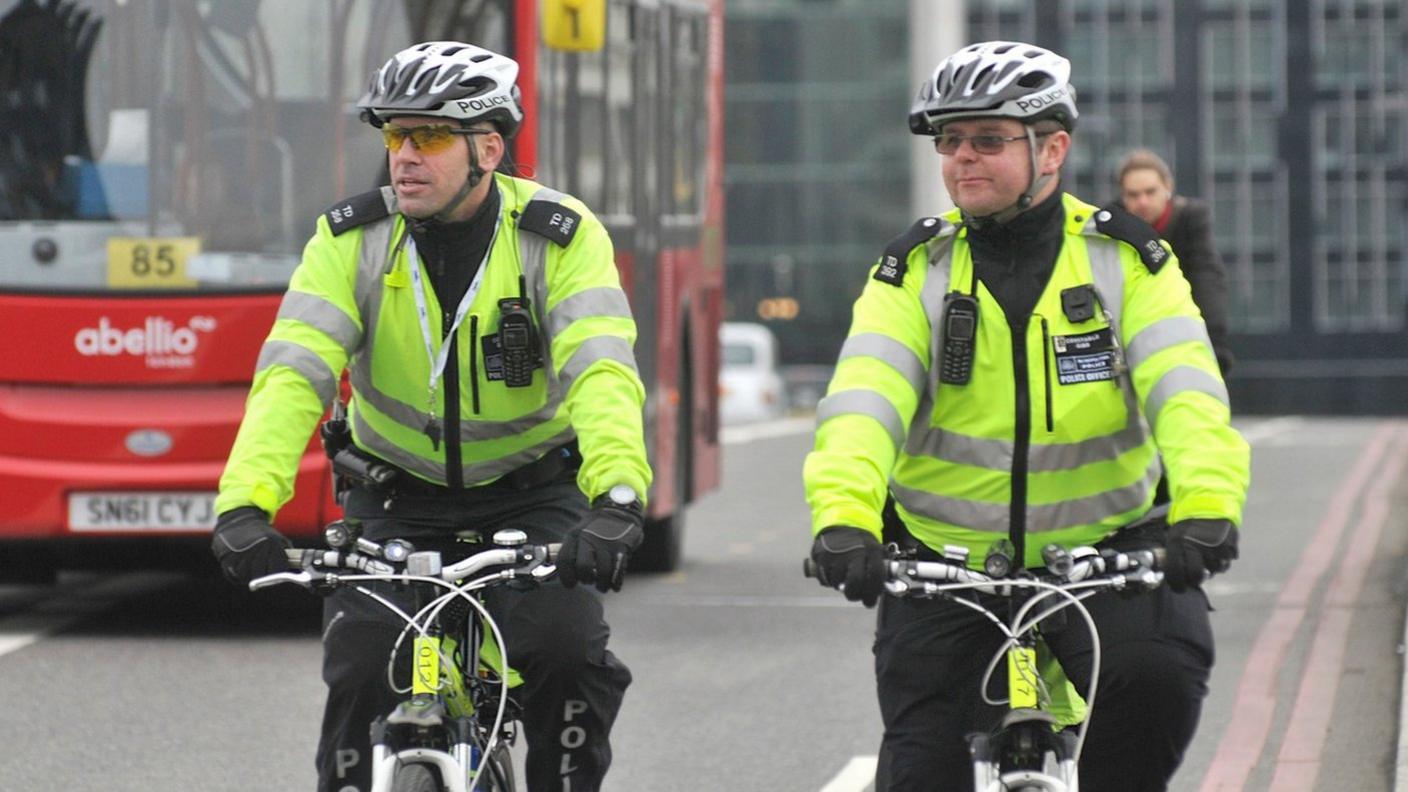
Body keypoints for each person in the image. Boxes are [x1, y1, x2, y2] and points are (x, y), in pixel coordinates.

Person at [803, 41, 1249, 792]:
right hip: (947, 566)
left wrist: (1206, 508)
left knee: (1156, 685)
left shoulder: (1126, 262)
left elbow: (1189, 393)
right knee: (921, 776)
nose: (961, 159)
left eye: (987, 139)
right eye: (950, 142)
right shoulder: (916, 269)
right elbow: (862, 401)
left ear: (1053, 150)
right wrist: (845, 517)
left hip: (1108, 557)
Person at [210, 41, 652, 792]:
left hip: (535, 492)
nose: (404, 157)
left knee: (564, 658)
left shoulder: (557, 238)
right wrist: (246, 504)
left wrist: (616, 499)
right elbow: (293, 374)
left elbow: (602, 371)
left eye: (430, 136)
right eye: (393, 137)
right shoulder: (350, 241)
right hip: (394, 495)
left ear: (488, 148)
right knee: (358, 671)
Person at [1113, 148, 1234, 375]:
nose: (1143, 202)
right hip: (1132, 331)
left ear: (1168, 187)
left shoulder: (1190, 218)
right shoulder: (1112, 224)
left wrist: (1215, 340)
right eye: (1133, 195)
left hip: (1184, 323)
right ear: (1122, 196)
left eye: (1150, 192)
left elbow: (1206, 276)